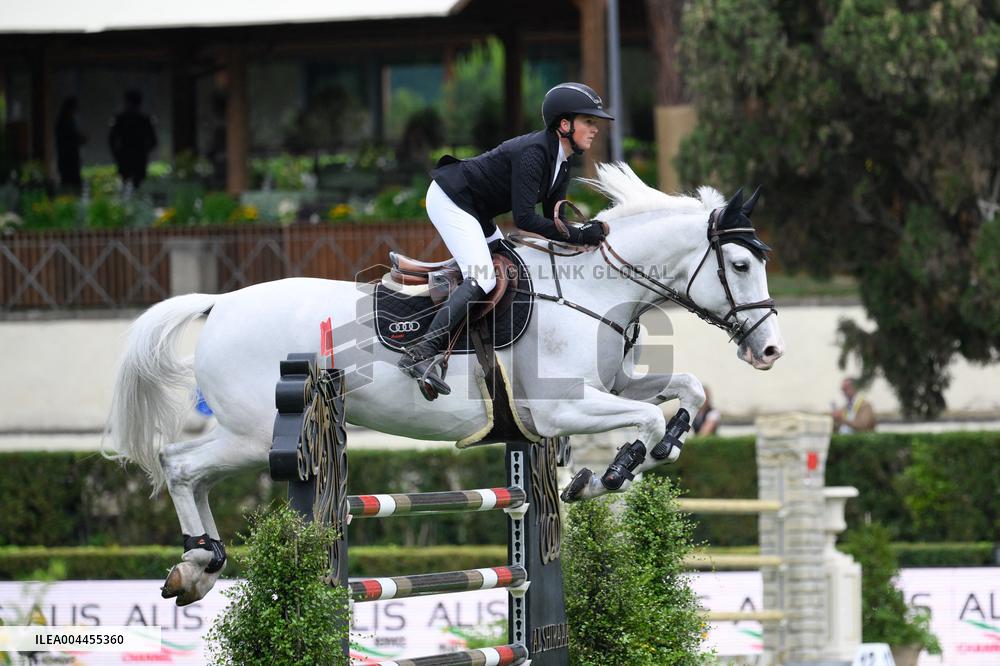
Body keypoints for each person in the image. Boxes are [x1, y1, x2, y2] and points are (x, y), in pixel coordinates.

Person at [397, 82, 614, 399]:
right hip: (451, 199)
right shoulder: (535, 153)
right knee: (483, 277)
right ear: (565, 125)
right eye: (589, 121)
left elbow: (556, 221)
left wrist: (587, 239)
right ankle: (421, 351)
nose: (595, 129)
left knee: (513, 265)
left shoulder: (562, 162)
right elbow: (525, 219)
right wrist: (581, 234)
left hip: (477, 209)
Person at [108, 89, 158, 189]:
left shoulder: (120, 119)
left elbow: (111, 139)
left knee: (126, 186)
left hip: (125, 157)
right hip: (138, 157)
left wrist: (117, 154)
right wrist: (144, 151)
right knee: (137, 186)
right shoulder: (144, 120)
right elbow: (153, 141)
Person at [55, 97, 86, 191]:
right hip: (69, 161)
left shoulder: (64, 121)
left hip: (67, 161)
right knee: (72, 185)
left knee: (69, 184)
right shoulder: (66, 122)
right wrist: (80, 139)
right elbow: (71, 140)